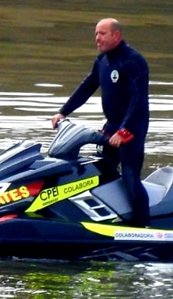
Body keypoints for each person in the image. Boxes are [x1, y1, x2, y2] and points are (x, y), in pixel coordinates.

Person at [51, 18, 151, 227]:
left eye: (102, 33)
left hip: (133, 127)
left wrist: (124, 130)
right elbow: (87, 88)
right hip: (113, 125)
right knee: (101, 170)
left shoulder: (132, 61)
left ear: (116, 35)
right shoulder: (102, 61)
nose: (97, 38)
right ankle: (109, 215)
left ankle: (143, 225)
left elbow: (138, 100)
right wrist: (63, 112)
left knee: (130, 177)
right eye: (96, 33)